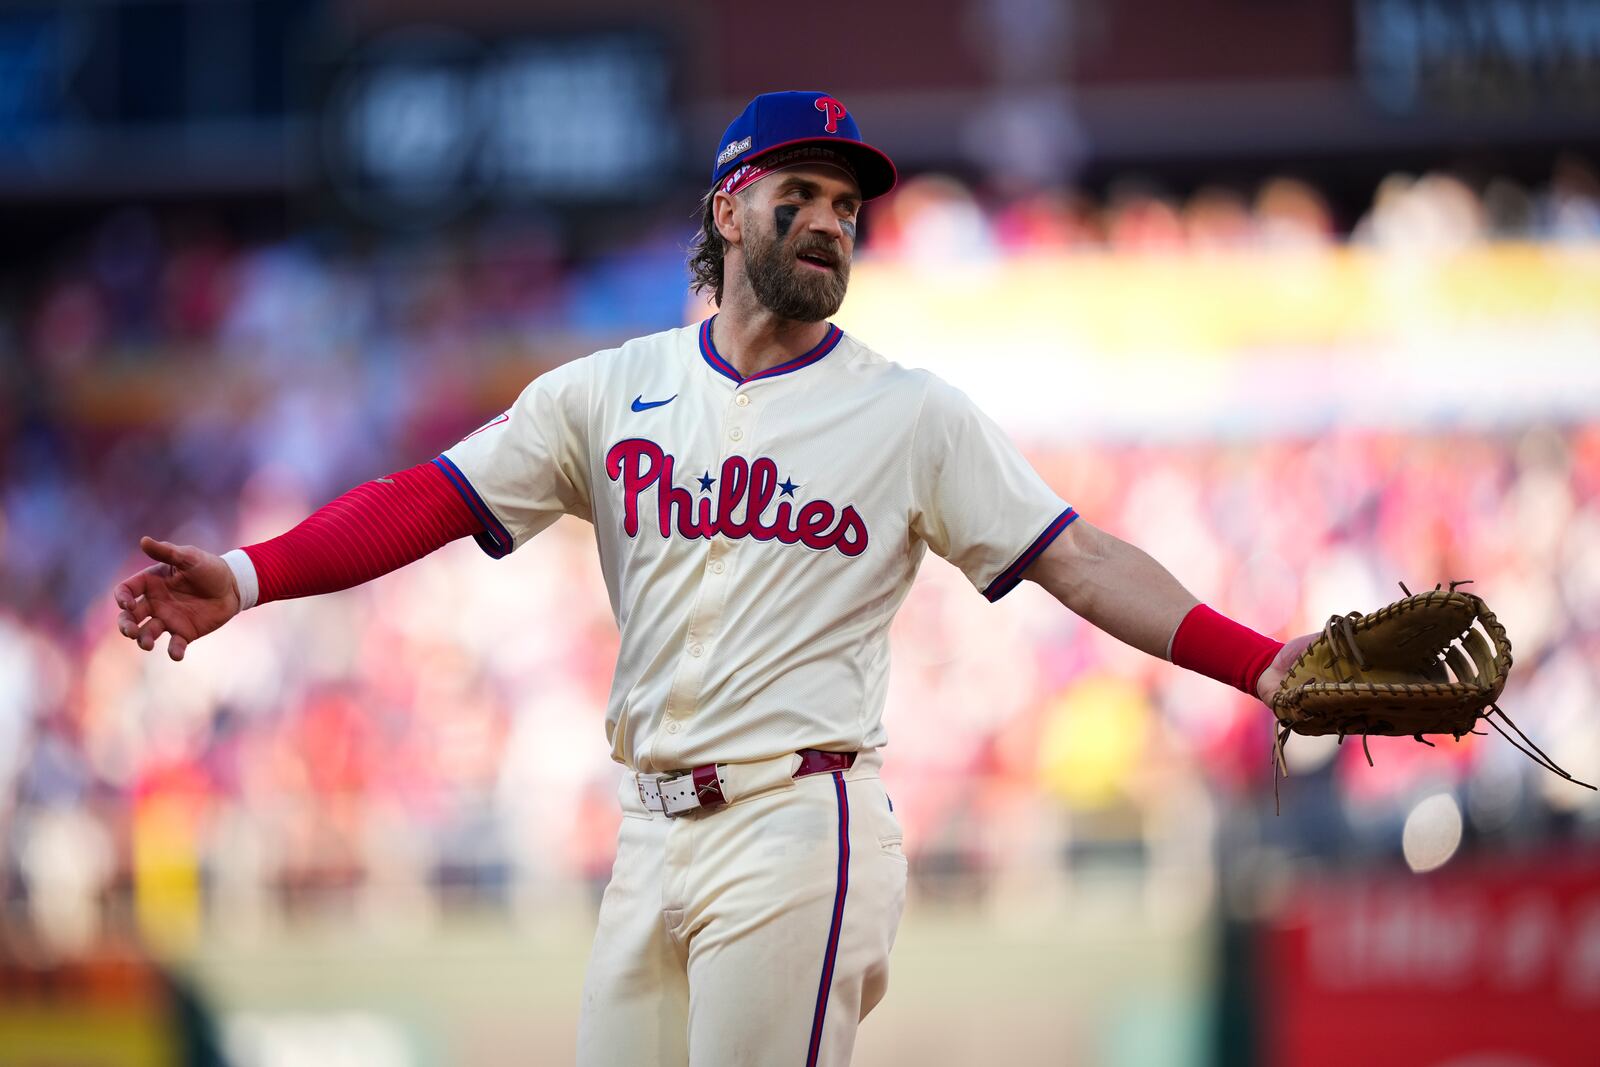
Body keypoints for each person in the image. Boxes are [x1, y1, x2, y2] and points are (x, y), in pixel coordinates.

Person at [114, 91, 1310, 1066]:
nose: (831, 221)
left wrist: (1257, 662)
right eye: (802, 194)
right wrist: (245, 572)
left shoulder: (908, 415)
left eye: (848, 205)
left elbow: (1083, 559)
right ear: (729, 211)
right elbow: (434, 495)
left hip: (800, 818)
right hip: (648, 831)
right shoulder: (607, 389)